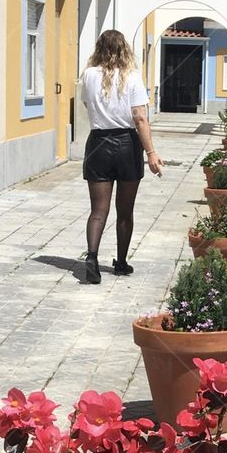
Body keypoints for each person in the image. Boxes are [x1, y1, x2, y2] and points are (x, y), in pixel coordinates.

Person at [80, 30, 164, 284]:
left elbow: (87, 106)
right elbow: (139, 116)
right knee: (125, 211)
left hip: (98, 143)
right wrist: (151, 152)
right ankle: (121, 262)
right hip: (127, 145)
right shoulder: (133, 77)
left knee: (98, 210)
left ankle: (92, 258)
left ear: (99, 48)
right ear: (124, 49)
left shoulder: (88, 76)